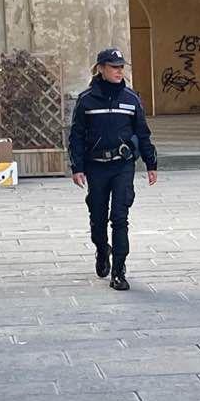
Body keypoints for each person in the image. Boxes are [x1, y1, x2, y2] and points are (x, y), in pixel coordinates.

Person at [69, 48, 158, 290]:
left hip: (122, 165)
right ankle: (102, 249)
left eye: (121, 67)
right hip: (96, 166)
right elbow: (76, 135)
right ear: (101, 69)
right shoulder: (86, 100)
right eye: (113, 67)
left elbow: (142, 132)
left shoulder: (131, 99)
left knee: (120, 217)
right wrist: (77, 167)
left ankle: (119, 270)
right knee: (98, 218)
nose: (119, 71)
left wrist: (151, 163)